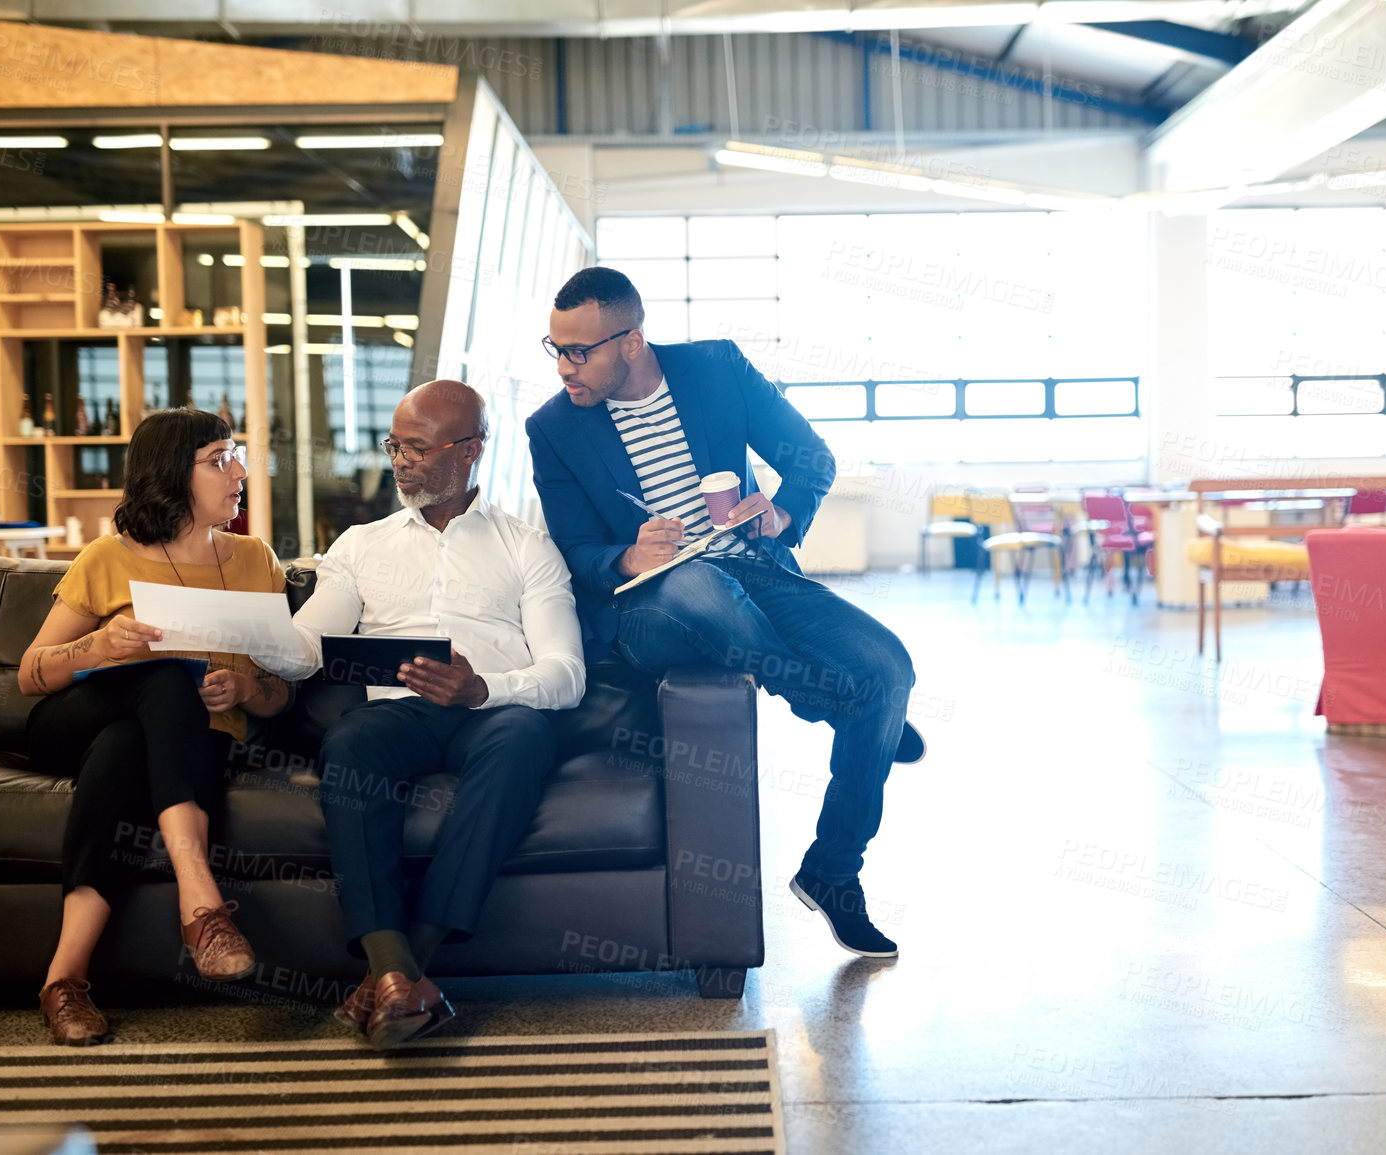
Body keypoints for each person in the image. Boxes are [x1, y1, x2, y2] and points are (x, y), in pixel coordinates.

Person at [526, 266, 922, 961]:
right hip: (651, 605)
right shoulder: (552, 427)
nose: (565, 367)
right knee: (702, 589)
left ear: (631, 340)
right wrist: (628, 556)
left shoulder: (715, 368)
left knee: (888, 667)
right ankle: (825, 699)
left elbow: (810, 457)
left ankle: (833, 870)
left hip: (753, 569)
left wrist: (780, 511)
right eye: (555, 348)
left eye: (579, 350)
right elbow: (576, 548)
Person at [252, 379, 585, 1050]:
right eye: (394, 445)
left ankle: (399, 970)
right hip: (397, 713)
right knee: (349, 744)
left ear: (470, 451)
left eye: (417, 447)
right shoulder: (358, 544)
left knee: (523, 738)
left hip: (493, 710)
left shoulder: (527, 546)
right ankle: (400, 972)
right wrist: (241, 630)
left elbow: (566, 674)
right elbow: (305, 647)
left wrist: (481, 687)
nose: (400, 460)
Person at [19, 408, 292, 1046]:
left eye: (237, 454)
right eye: (219, 458)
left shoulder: (256, 560)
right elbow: (30, 675)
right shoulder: (106, 558)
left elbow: (283, 695)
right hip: (73, 724)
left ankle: (65, 982)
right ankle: (202, 907)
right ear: (172, 473)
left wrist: (250, 688)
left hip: (184, 741)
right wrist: (98, 648)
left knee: (126, 751)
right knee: (164, 679)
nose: (240, 471)